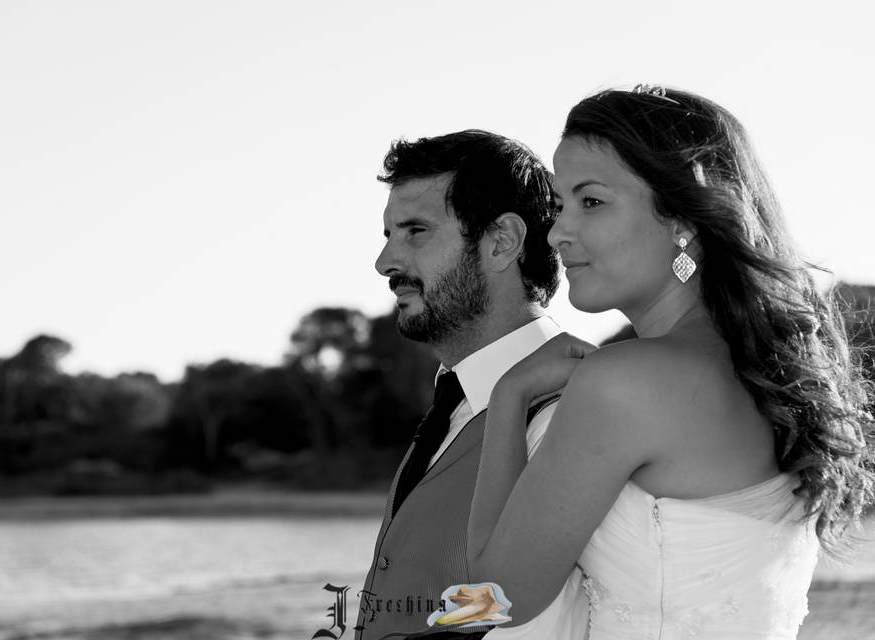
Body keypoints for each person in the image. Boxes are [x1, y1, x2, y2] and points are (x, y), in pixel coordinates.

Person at [466, 86, 875, 640]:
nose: (558, 232)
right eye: (560, 205)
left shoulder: (624, 383)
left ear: (682, 218)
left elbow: (492, 602)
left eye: (591, 201)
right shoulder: (771, 379)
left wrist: (509, 398)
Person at [355, 130, 594, 640]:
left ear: (501, 242)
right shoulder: (452, 402)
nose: (385, 264)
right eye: (387, 235)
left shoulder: (575, 411)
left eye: (416, 231)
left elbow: (541, 613)